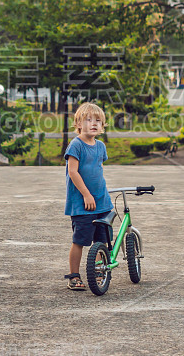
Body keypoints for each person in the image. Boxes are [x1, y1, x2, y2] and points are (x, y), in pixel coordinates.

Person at [63, 102, 114, 291]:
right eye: (88, 120)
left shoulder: (100, 146)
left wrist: (100, 194)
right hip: (82, 203)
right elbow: (73, 172)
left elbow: (97, 171)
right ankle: (74, 276)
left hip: (101, 202)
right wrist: (86, 194)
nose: (94, 124)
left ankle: (98, 271)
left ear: (102, 126)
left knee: (102, 240)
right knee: (80, 240)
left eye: (98, 121)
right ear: (78, 124)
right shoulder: (76, 145)